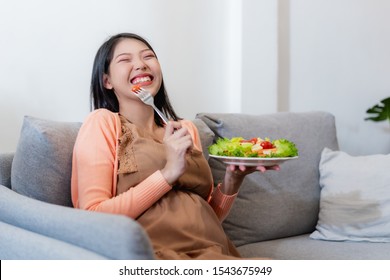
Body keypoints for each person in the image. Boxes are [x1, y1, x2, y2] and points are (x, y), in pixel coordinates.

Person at [71, 32, 279, 260]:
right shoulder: (103, 123)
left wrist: (232, 180)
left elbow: (206, 217)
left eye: (148, 56)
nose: (140, 64)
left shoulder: (185, 130)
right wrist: (168, 173)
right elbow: (93, 217)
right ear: (107, 81)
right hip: (155, 255)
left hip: (212, 251)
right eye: (125, 60)